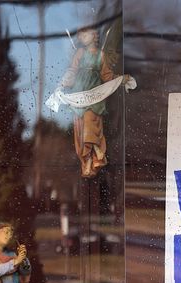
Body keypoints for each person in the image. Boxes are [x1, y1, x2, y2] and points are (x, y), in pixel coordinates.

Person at [61, 27, 115, 178]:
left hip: (95, 94)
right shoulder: (80, 53)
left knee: (91, 120)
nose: (82, 37)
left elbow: (107, 75)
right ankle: (89, 159)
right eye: (80, 36)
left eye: (85, 34)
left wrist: (119, 80)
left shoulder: (100, 55)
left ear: (94, 35)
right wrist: (65, 81)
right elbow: (72, 70)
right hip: (80, 93)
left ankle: (96, 152)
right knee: (81, 127)